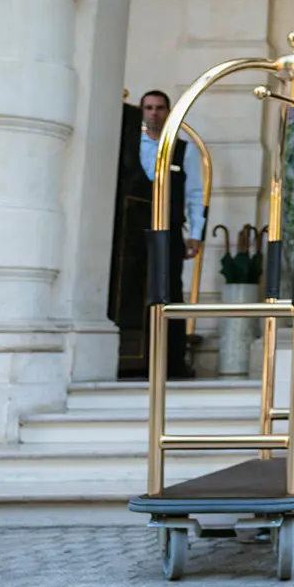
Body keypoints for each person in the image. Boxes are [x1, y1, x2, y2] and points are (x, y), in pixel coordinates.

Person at [107, 90, 204, 380]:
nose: (154, 113)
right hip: (128, 232)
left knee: (168, 290)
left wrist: (195, 233)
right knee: (127, 288)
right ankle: (127, 358)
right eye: (148, 108)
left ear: (168, 111)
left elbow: (195, 194)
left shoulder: (184, 150)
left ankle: (170, 361)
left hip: (168, 230)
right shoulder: (124, 147)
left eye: (159, 108)